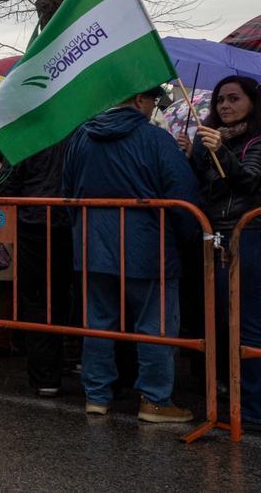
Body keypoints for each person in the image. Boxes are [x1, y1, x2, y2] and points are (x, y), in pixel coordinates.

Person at [63, 87, 200, 423]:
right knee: (155, 326)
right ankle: (154, 400)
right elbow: (183, 196)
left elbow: (67, 191)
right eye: (153, 100)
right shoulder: (156, 139)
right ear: (139, 100)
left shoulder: (80, 138)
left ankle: (96, 396)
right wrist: (190, 238)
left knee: (98, 323)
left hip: (92, 245)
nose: (155, 106)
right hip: (148, 248)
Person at [178, 75, 261, 427]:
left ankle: (255, 409)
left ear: (252, 103)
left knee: (248, 323)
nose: (224, 106)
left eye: (233, 99)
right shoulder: (209, 138)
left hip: (248, 236)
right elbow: (202, 187)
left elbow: (250, 182)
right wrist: (189, 155)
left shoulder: (256, 140)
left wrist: (220, 151)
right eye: (219, 101)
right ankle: (230, 395)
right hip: (214, 237)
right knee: (220, 319)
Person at [3, 136, 73, 397]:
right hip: (66, 223)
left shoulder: (27, 138)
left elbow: (9, 185)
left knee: (36, 299)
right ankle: (55, 367)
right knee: (61, 297)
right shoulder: (77, 134)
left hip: (33, 223)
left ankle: (45, 375)